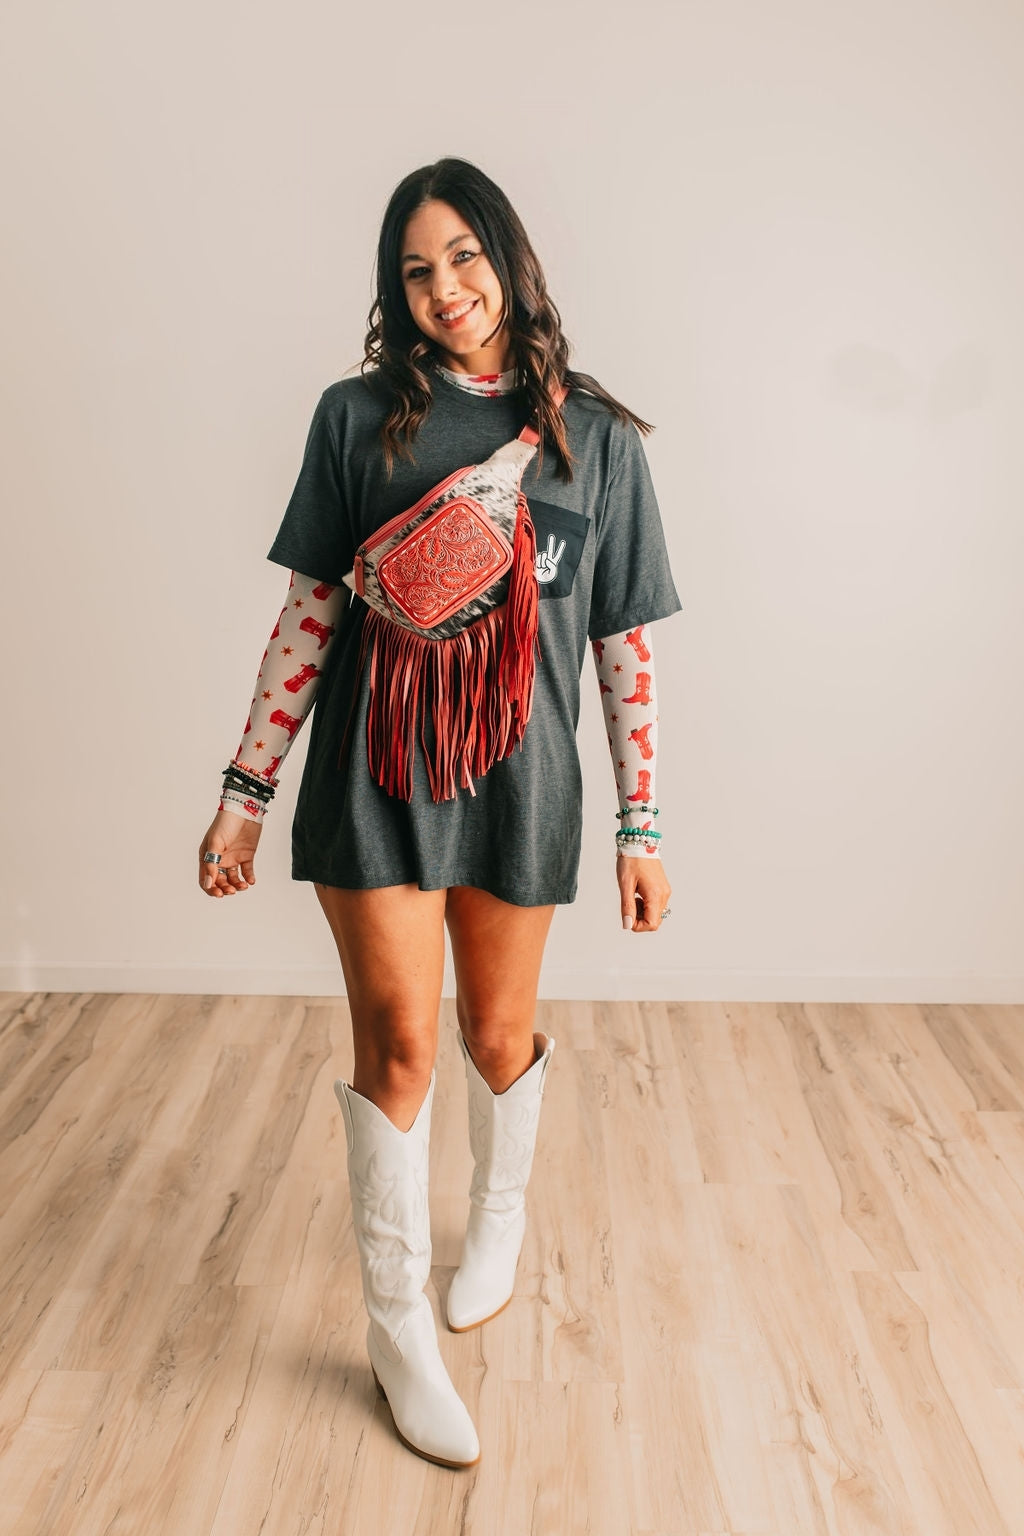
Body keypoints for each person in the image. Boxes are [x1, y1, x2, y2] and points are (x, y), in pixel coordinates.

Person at [197, 158, 681, 1469]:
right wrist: (244, 792)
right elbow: (309, 615)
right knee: (402, 1044)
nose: (445, 289)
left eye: (464, 256)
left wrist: (642, 827)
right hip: (373, 778)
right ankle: (397, 1326)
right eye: (416, 270)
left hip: (524, 788)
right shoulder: (357, 419)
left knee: (496, 1032)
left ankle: (498, 1219)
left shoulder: (597, 440)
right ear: (393, 291)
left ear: (510, 259)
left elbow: (622, 648)